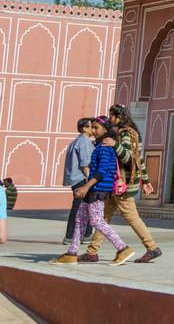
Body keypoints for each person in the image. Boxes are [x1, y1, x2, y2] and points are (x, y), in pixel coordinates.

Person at [84, 104, 161, 264]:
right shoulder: (121, 133)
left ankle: (152, 247)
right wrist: (145, 180)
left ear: (119, 117)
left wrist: (115, 145)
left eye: (111, 116)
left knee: (132, 218)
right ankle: (92, 252)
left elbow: (129, 158)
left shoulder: (126, 134)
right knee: (102, 217)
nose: (110, 119)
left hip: (122, 185)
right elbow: (139, 160)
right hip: (115, 184)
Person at [52, 124, 134, 265]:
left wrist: (85, 187)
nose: (93, 131)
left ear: (106, 130)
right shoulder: (99, 146)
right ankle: (72, 253)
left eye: (96, 128)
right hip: (93, 188)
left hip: (98, 188)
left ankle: (123, 248)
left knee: (97, 221)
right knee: (80, 219)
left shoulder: (105, 148)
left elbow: (102, 172)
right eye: (93, 127)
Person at [60, 118, 96, 244]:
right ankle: (73, 236)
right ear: (84, 128)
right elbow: (85, 164)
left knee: (84, 207)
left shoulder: (76, 141)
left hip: (75, 179)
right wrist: (90, 181)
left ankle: (83, 234)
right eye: (91, 127)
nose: (94, 129)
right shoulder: (84, 142)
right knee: (83, 207)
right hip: (81, 179)